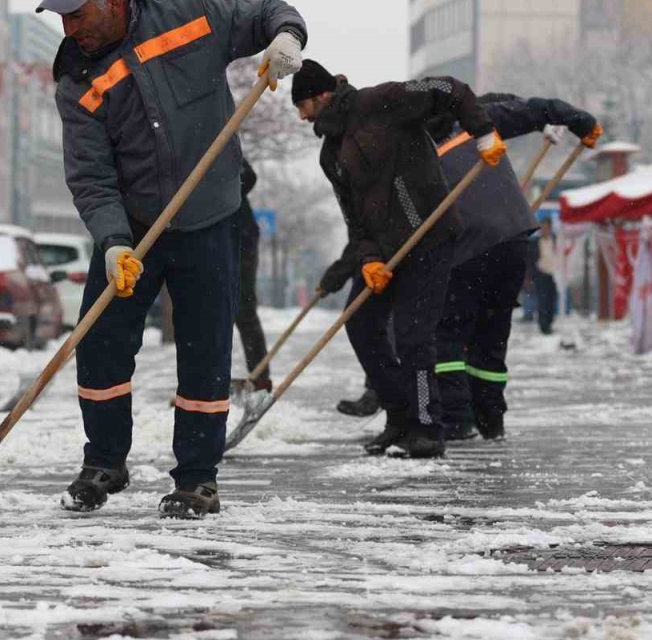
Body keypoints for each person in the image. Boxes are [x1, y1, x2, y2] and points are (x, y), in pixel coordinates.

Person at [41, 0, 306, 519]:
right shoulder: (77, 77)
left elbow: (268, 12)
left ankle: (196, 479)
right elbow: (91, 177)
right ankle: (104, 461)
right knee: (99, 342)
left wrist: (286, 38)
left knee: (205, 348)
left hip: (209, 214)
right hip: (134, 227)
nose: (71, 29)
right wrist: (114, 242)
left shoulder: (189, 13)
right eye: (62, 19)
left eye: (77, 15)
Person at [297, 60, 506, 459]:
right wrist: (369, 258)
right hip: (386, 250)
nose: (301, 115)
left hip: (430, 236)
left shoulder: (383, 101)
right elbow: (353, 218)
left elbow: (451, 88)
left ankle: (428, 427)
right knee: (360, 323)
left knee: (414, 335)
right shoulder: (331, 154)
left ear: (321, 95)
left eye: (302, 105)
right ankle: (400, 417)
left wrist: (482, 132)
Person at [427, 94, 600, 441]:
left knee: (447, 333)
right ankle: (491, 420)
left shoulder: (422, 151)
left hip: (467, 247)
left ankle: (457, 421)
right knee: (491, 334)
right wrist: (579, 119)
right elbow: (533, 109)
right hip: (513, 240)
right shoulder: (480, 123)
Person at [233, 159, 271, 391]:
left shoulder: (216, 131)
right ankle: (203, 380)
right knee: (206, 311)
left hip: (239, 235)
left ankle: (260, 378)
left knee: (243, 309)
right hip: (201, 234)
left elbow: (249, 176)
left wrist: (215, 189)